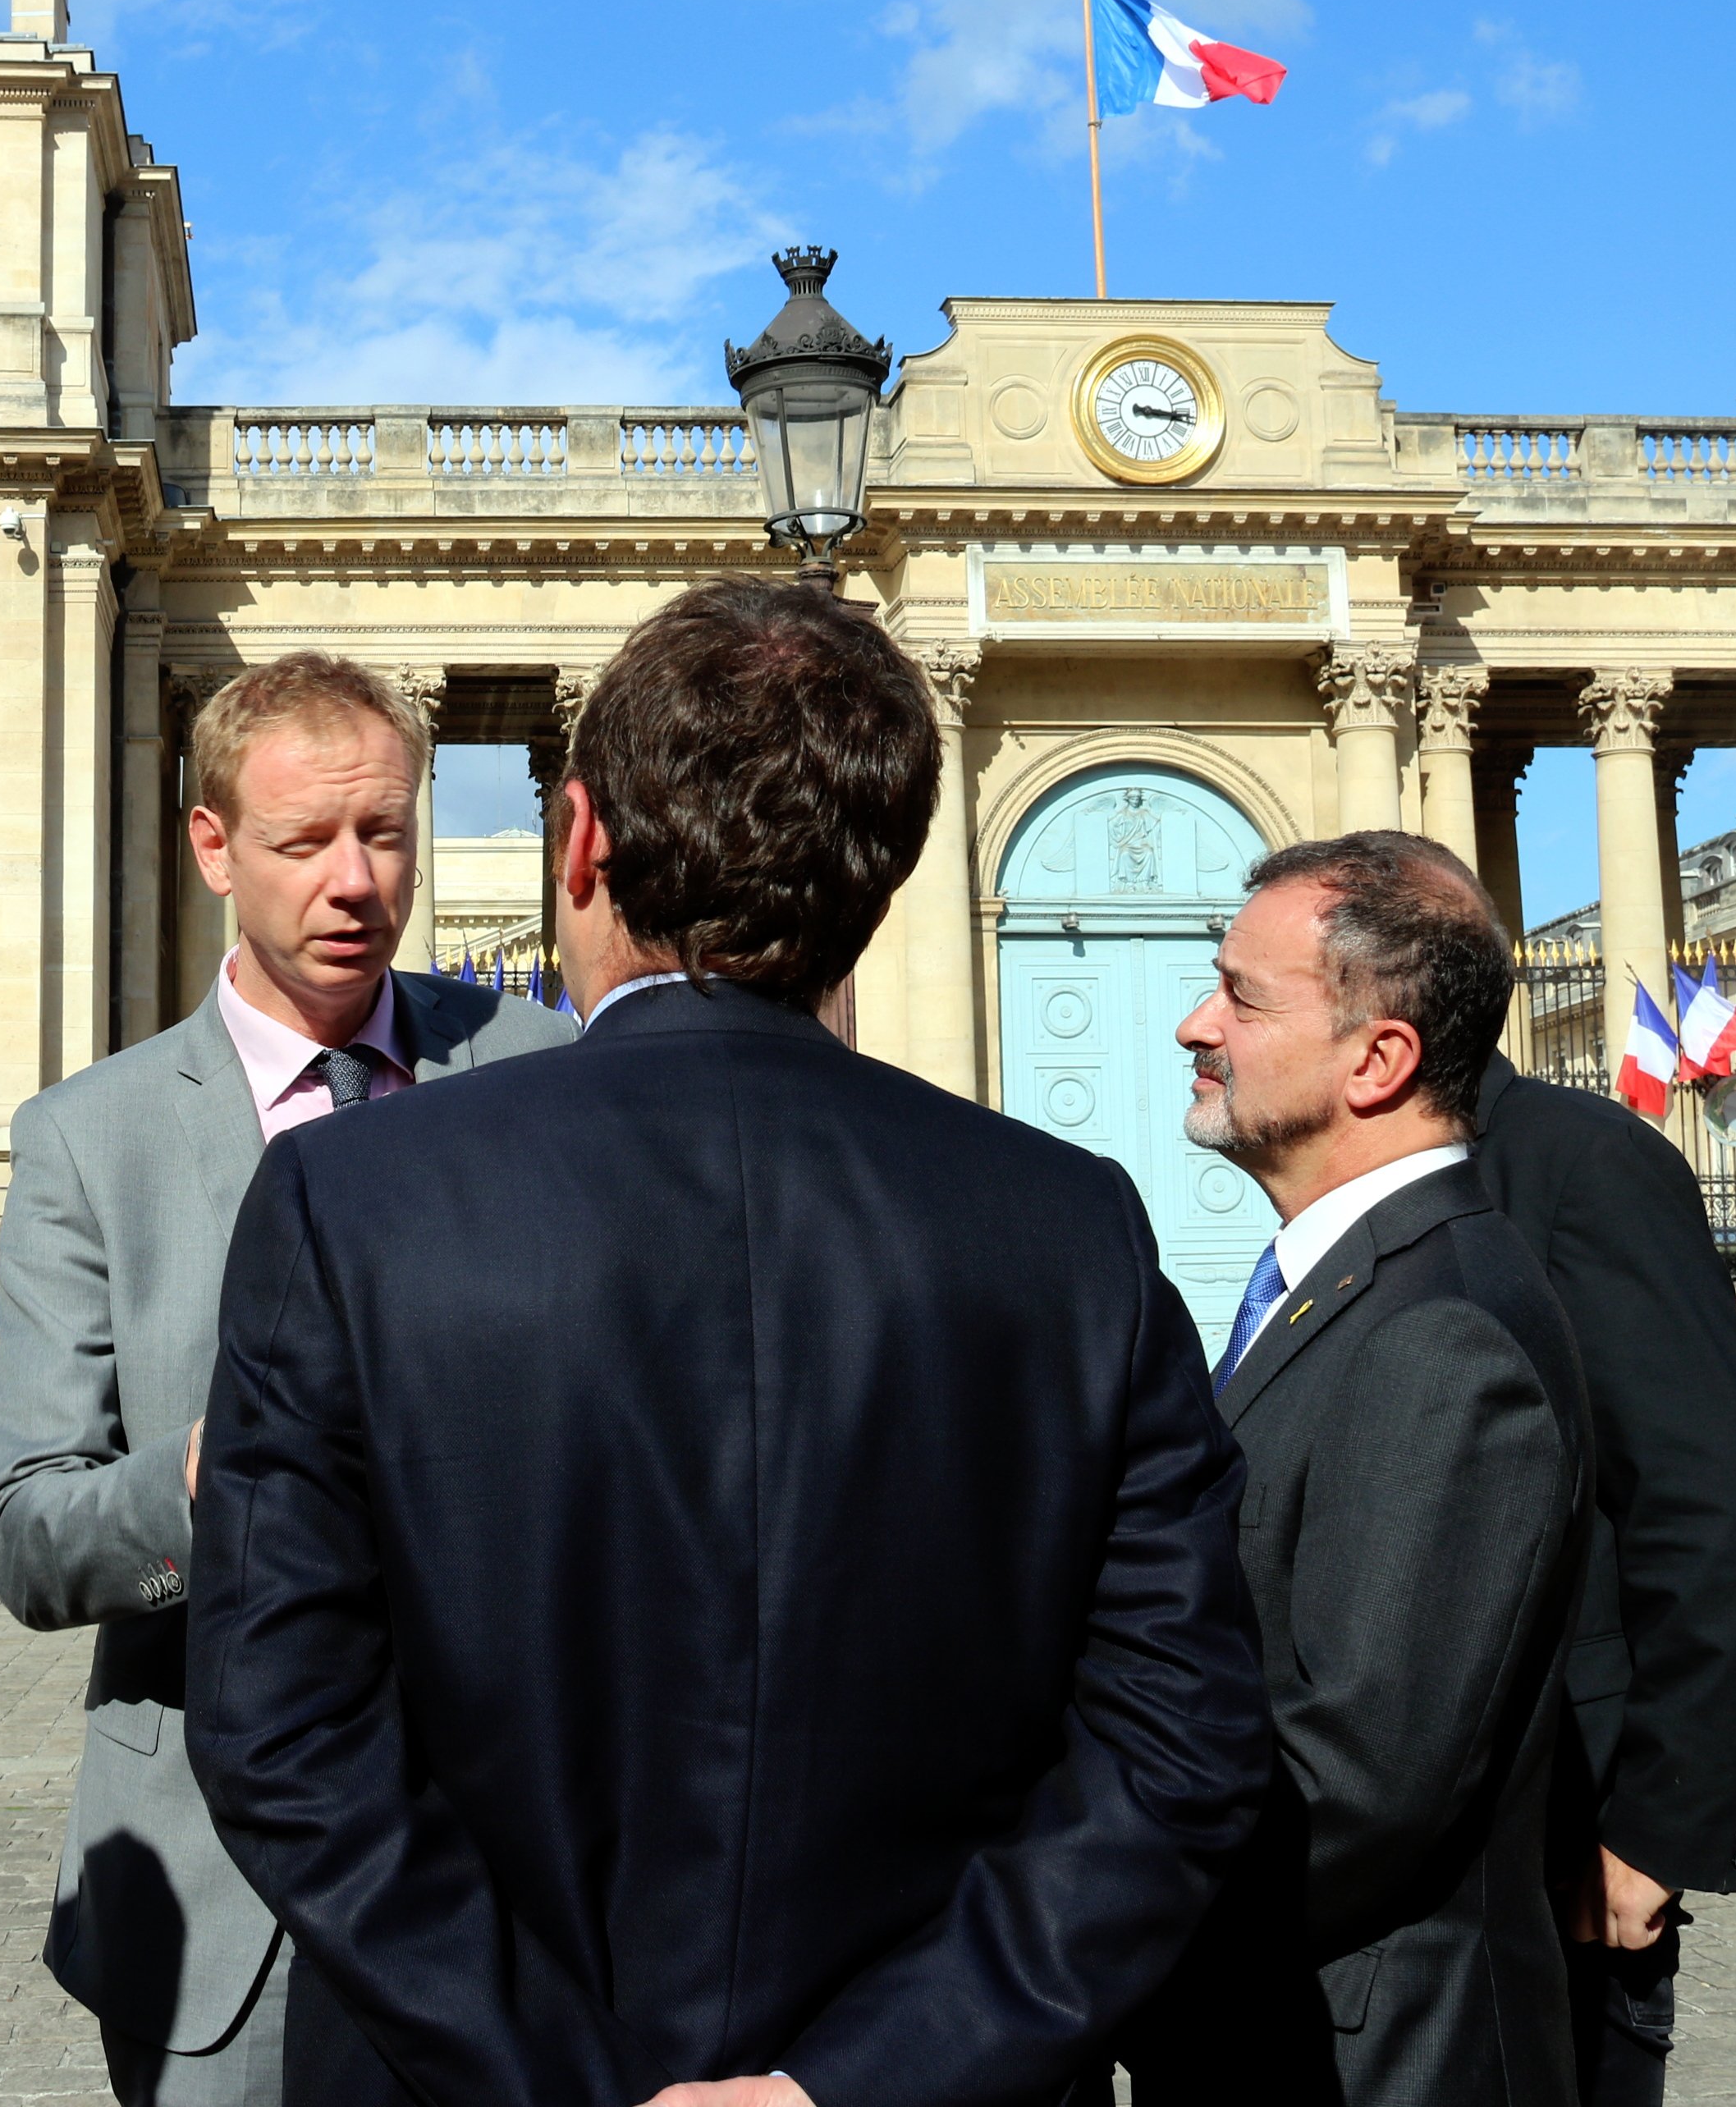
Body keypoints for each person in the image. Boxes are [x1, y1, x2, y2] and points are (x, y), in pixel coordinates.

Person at [183, 579, 1272, 2107]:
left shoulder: (351, 1196)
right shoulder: (1068, 1225)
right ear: (880, 881)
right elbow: (1177, 1744)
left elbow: (283, 1730)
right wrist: (862, 2076)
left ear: (578, 838)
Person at [0, 653, 571, 2107]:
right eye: (306, 841)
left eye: (385, 833)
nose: (357, 880)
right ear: (210, 846)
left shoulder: (546, 1066)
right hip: (218, 1894)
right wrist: (206, 1476)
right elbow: (26, 1532)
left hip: (522, 1874)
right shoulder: (87, 1138)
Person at [1123, 831, 1592, 2106]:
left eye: (1242, 995)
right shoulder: (1353, 1282)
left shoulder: (1444, 1334)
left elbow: (1362, 1785)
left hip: (1371, 2054)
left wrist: (1080, 1930)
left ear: (1376, 1061)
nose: (1193, 1023)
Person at [1472, 1046, 1736, 2104]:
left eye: (1245, 989)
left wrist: (1654, 1833)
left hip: (1573, 1848)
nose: (1202, 1024)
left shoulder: (1582, 1161)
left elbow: (1713, 1504)